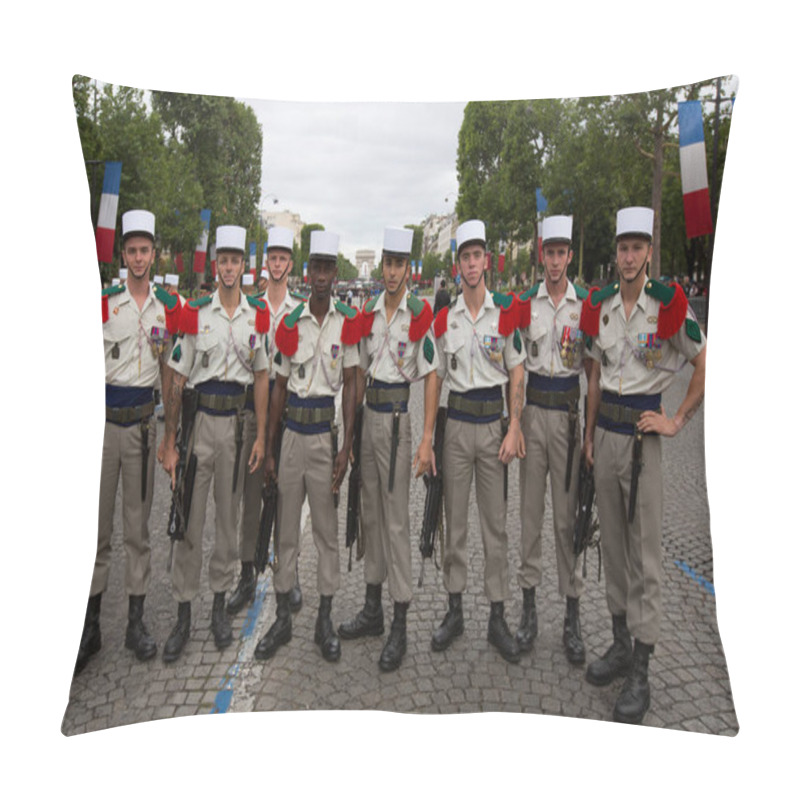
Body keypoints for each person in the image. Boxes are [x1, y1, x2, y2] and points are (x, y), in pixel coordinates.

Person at [580, 206, 707, 724]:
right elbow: (592, 374)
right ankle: (618, 643)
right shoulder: (603, 307)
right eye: (623, 248)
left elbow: (703, 362)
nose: (629, 257)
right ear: (616, 253)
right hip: (606, 434)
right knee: (611, 546)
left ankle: (643, 667)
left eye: (637, 248)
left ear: (649, 252)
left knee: (646, 554)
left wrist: (677, 419)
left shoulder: (668, 308)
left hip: (643, 438)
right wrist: (587, 436)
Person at [76, 210, 181, 675]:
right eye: (131, 250)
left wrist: (169, 438)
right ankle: (89, 626)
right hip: (102, 427)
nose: (139, 258)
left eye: (145, 250)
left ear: (154, 254)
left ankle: (135, 623)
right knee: (94, 532)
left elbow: (168, 373)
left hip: (142, 425)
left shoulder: (166, 309)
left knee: (137, 531)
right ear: (123, 255)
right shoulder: (104, 303)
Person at [160, 225, 270, 662]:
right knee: (188, 518)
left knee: (227, 520)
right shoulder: (196, 314)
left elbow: (261, 375)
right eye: (222, 260)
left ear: (244, 266)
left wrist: (262, 434)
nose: (228, 268)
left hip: (237, 428)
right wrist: (170, 441)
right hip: (200, 422)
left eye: (235, 261)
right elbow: (176, 377)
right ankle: (184, 614)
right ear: (216, 265)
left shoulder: (255, 316)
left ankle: (219, 606)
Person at [254, 230, 359, 663]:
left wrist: (346, 448)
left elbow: (352, 386)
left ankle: (324, 619)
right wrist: (273, 447)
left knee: (326, 533)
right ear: (307, 271)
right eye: (314, 268)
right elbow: (278, 387)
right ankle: (282, 617)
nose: (319, 276)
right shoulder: (290, 322)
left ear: (334, 273)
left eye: (326, 268)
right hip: (293, 433)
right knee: (286, 530)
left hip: (324, 437)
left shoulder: (347, 322)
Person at [338, 227, 438, 672]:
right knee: (370, 515)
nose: (393, 272)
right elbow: (356, 373)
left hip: (399, 421)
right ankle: (373, 608)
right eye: (388, 263)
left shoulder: (419, 315)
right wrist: (351, 430)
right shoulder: (368, 313)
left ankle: (399, 619)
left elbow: (432, 374)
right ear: (380, 266)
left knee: (396, 521)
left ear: (408, 268)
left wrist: (426, 438)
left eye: (400, 264)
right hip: (370, 419)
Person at [430, 219, 526, 663]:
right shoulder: (443, 319)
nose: (471, 264)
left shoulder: (503, 313)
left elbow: (517, 371)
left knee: (495, 528)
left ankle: (497, 616)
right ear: (459, 264)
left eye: (477, 256)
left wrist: (514, 427)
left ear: (486, 260)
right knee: (455, 525)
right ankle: (454, 610)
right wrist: (428, 435)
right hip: (456, 427)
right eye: (464, 257)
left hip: (491, 428)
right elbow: (434, 377)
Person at [515, 215, 589, 664]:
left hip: (566, 417)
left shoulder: (586, 308)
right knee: (529, 517)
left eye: (563, 253)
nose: (556, 261)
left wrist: (587, 432)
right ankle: (528, 610)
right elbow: (516, 368)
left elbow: (593, 371)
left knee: (566, 520)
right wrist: (514, 422)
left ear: (570, 256)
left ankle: (573, 614)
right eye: (550, 253)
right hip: (532, 415)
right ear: (541, 255)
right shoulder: (527, 304)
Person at [227, 226, 303, 616]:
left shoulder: (299, 311)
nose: (276, 264)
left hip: (288, 412)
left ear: (291, 264)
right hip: (256, 409)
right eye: (271, 258)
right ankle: (246, 574)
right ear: (266, 263)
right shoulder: (252, 308)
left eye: (282, 258)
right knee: (252, 496)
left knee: (289, 497)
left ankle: (289, 574)